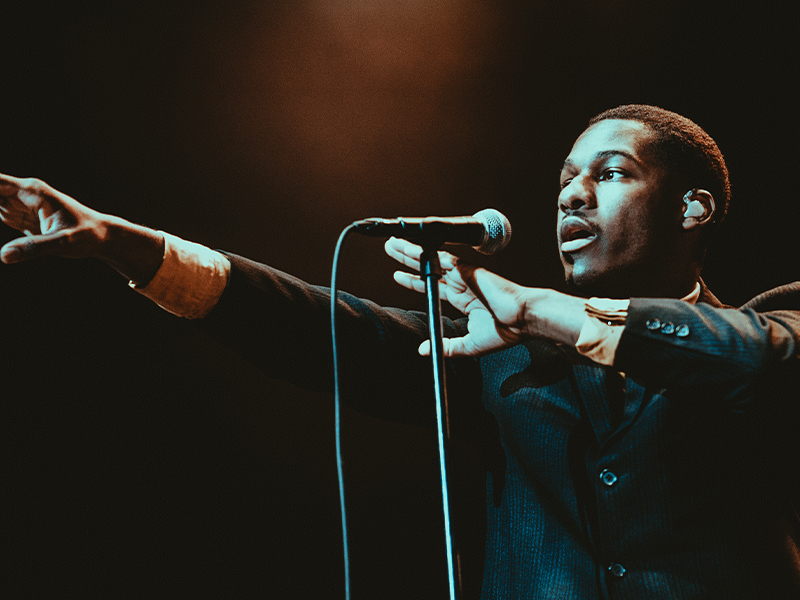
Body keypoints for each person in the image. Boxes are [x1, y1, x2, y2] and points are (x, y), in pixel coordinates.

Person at [1, 105, 798, 599]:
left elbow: (754, 362)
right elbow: (313, 328)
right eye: (564, 179)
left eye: (611, 172)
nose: (571, 194)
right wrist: (126, 246)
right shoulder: (498, 353)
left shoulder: (771, 326)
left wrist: (538, 308)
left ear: (696, 207)